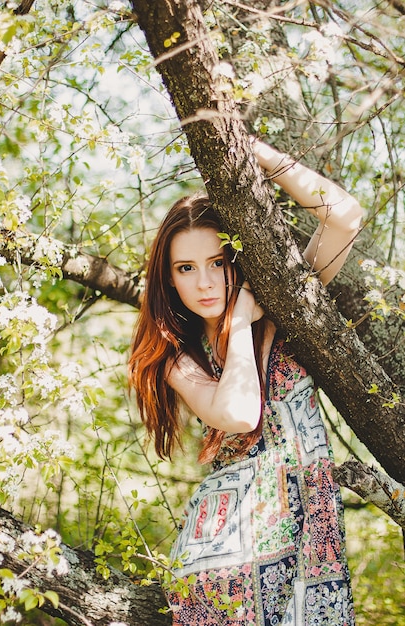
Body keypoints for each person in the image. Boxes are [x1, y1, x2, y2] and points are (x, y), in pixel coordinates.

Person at [128, 137, 363, 625]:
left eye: (217, 262)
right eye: (186, 269)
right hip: (227, 548)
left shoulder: (281, 304)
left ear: (235, 257)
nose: (207, 283)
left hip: (306, 523)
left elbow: (344, 216)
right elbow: (238, 414)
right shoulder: (177, 358)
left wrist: (245, 147)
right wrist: (237, 326)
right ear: (169, 280)